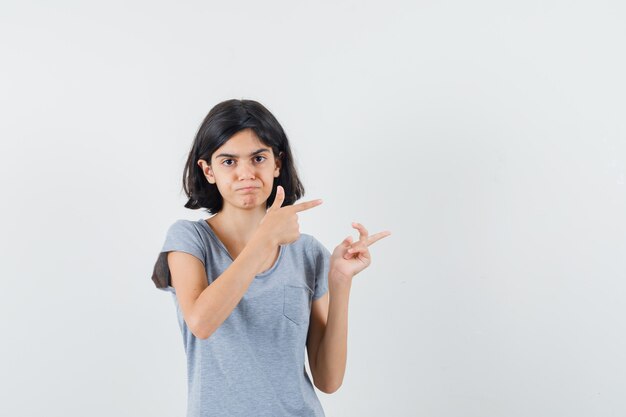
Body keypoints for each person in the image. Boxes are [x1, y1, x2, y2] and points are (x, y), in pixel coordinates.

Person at [151, 99, 390, 417]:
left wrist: (340, 280)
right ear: (207, 170)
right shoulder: (189, 240)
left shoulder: (307, 252)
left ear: (277, 164)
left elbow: (328, 380)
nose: (245, 173)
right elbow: (202, 322)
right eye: (228, 162)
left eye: (258, 158)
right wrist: (265, 239)